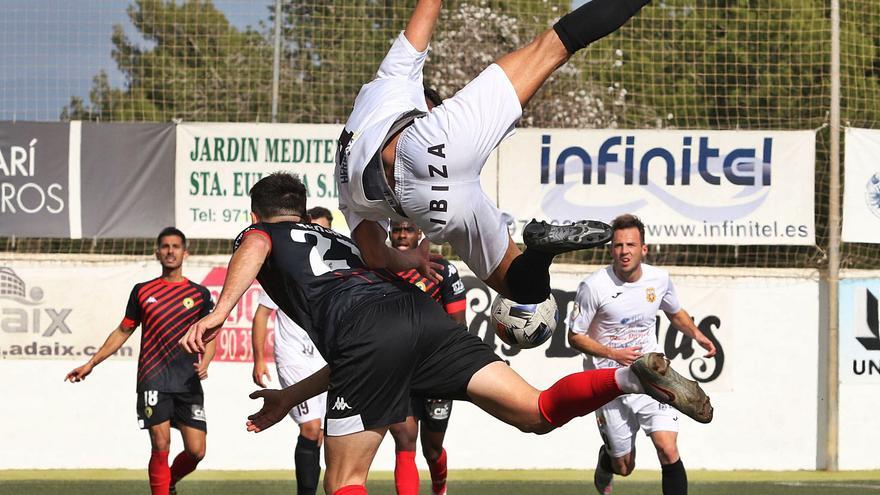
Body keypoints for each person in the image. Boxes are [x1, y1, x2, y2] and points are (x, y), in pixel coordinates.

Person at [178, 173, 712, 495]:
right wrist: (289, 398)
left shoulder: (260, 232)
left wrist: (220, 311)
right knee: (537, 412)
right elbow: (368, 328)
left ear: (256, 214)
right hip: (418, 315)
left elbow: (255, 247)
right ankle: (627, 376)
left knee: (342, 482)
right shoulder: (334, 239)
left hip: (367, 333)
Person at [335, 0, 655, 304]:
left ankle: (541, 252)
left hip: (434, 208)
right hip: (430, 143)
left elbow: (374, 254)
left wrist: (411, 258)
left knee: (524, 289)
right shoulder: (391, 78)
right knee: (554, 45)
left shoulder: (345, 185)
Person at [567, 214, 717, 495]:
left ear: (643, 249)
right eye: (618, 245)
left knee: (668, 448)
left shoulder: (659, 280)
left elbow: (674, 312)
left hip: (652, 376)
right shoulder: (594, 286)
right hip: (609, 381)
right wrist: (613, 352)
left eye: (631, 245)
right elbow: (574, 337)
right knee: (624, 466)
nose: (624, 251)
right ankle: (606, 460)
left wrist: (697, 335)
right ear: (611, 248)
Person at [66, 227, 215, 495]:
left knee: (196, 450)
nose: (170, 251)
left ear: (185, 252)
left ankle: (168, 482)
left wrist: (207, 361)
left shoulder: (200, 294)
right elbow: (123, 330)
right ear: (157, 252)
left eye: (176, 246)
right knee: (160, 444)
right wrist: (91, 363)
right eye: (165, 246)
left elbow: (211, 333)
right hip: (153, 378)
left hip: (187, 380)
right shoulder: (143, 291)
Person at [250, 208, 333, 495]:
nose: (321, 234)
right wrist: (259, 359)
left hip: (326, 361)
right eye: (316, 227)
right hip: (293, 358)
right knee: (310, 428)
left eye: (327, 229)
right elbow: (262, 315)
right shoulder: (287, 265)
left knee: (323, 433)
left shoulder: (336, 266)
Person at [387, 219, 466, 495]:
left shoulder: (443, 269)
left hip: (436, 370)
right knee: (404, 441)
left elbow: (459, 325)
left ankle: (439, 486)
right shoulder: (379, 270)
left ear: (419, 232)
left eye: (408, 229)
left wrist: (450, 366)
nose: (401, 235)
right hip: (397, 370)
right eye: (396, 229)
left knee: (431, 451)